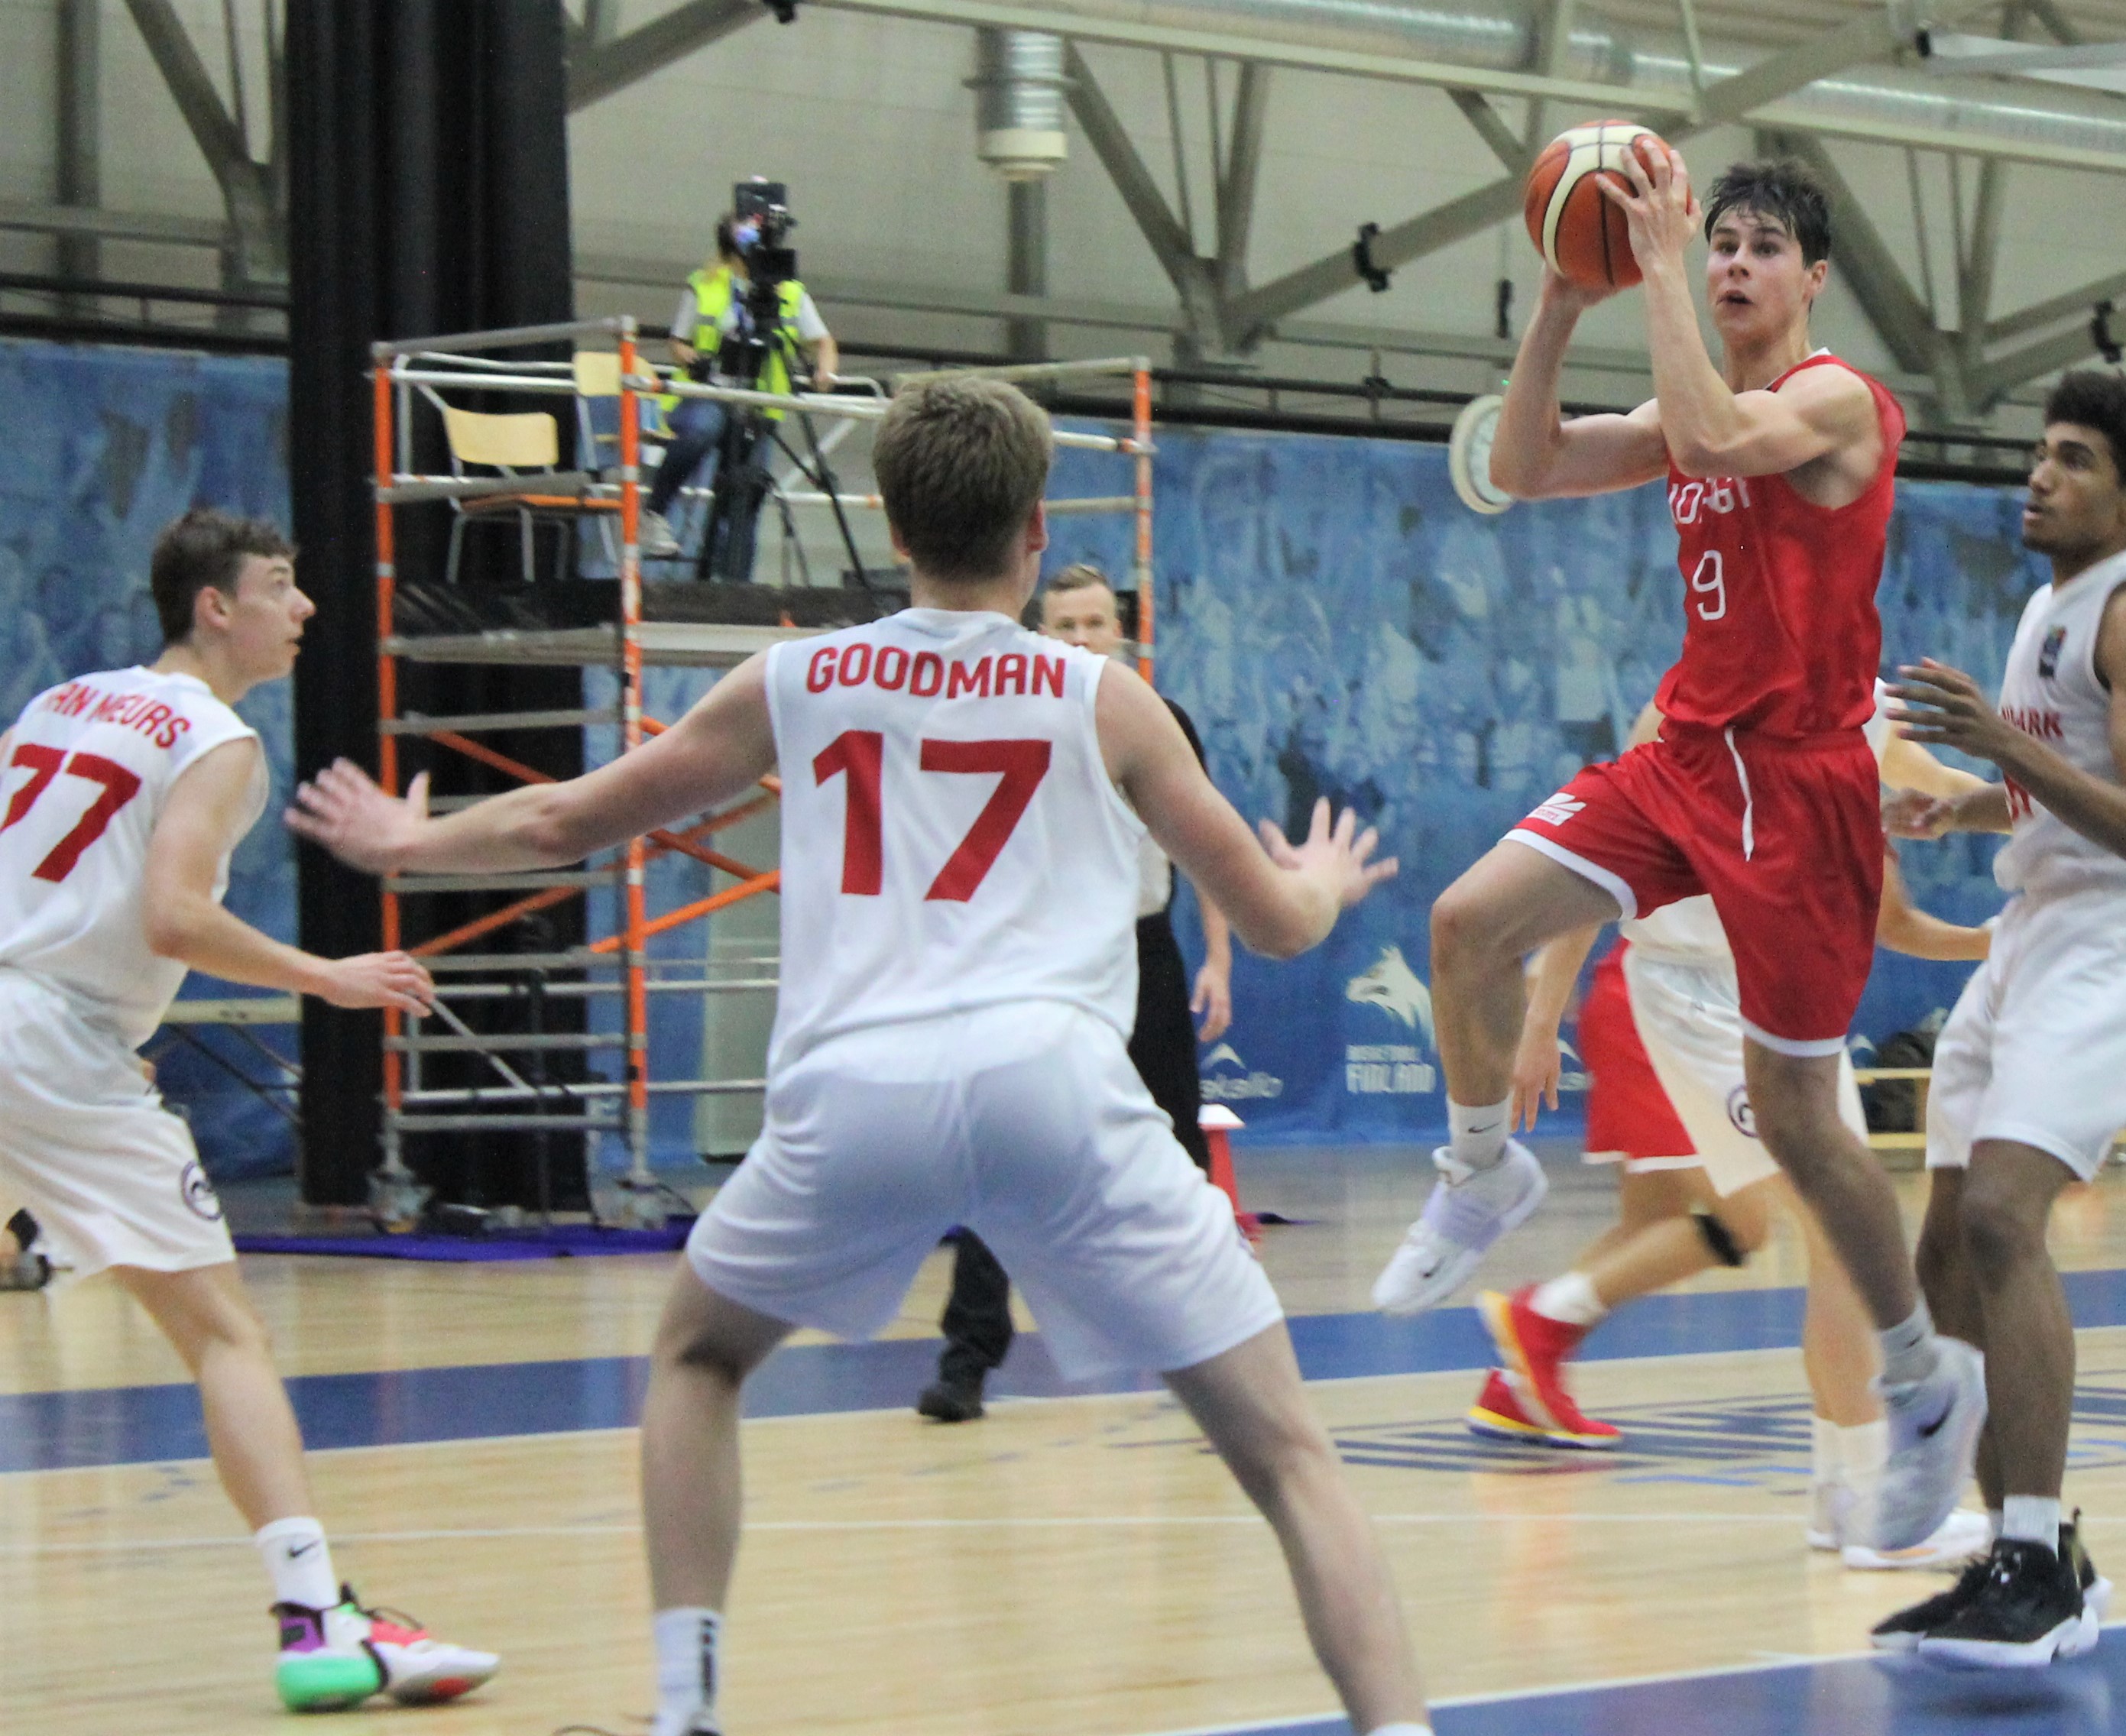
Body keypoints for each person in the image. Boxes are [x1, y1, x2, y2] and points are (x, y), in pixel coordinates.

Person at [290, 378, 1434, 1736]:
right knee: (1292, 1455)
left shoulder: (798, 676)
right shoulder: (1107, 699)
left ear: (890, 526)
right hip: (1052, 1086)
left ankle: (687, 1712)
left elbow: (563, 826)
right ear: (1033, 532)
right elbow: (1273, 919)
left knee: (700, 1361)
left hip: (857, 1091)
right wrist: (1325, 882)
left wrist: (407, 843)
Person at [1370, 150, 1984, 1553]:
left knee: (1809, 1135)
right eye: (1717, 245)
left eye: (1762, 247)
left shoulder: (1839, 401)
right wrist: (1557, 304)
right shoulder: (1690, 402)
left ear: (1812, 279)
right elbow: (1521, 466)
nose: (1728, 264)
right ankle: (1480, 1173)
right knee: (1466, 922)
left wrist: (1644, 269)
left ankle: (1913, 1376)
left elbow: (1712, 440)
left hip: (1802, 787)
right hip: (1684, 759)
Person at [0, 509, 498, 1712]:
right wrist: (330, 978)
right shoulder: (218, 740)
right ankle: (317, 1619)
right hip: (42, 1041)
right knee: (226, 1335)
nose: (307, 607)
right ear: (216, 608)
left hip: (32, 1020)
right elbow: (172, 916)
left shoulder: (60, 703)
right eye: (282, 586)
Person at [1466, 692, 1993, 1573]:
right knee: (1832, 1233)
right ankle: (1872, 1498)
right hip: (1697, 993)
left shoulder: (1857, 703)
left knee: (1841, 1238)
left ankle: (1845, 1493)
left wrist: (2059, 814)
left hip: (1782, 992)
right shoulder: (1682, 708)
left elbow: (1942, 789)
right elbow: (1594, 868)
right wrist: (1540, 1015)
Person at [1871, 370, 2126, 1667]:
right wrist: (1960, 803)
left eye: (2071, 460)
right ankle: (2032, 1551)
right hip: (2031, 941)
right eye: (2038, 452)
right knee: (1947, 1248)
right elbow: (2052, 790)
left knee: (2008, 1217)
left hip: (2117, 945)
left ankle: (2030, 1559)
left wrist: (1997, 756)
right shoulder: (2048, 606)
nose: (2039, 473)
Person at [916, 562, 1238, 1423]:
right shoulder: (1007, 720)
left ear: (1121, 633)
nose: (1083, 639)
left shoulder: (1158, 722)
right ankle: (966, 1360)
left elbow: (1210, 848)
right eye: (1066, 625)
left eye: (1097, 623)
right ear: (1038, 631)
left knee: (1178, 1158)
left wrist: (1217, 959)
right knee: (1004, 1156)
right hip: (1043, 960)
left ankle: (1212, 1347)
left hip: (1144, 952)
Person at [640, 211, 843, 575]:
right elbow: (677, 342)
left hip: (759, 404)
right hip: (707, 392)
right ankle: (654, 511)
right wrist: (693, 359)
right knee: (703, 427)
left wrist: (825, 370)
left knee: (746, 493)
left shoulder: (789, 291)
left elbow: (822, 341)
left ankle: (735, 586)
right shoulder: (704, 283)